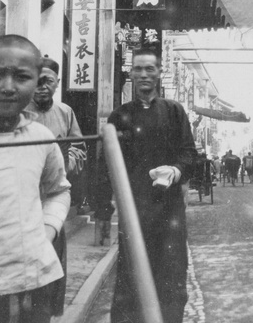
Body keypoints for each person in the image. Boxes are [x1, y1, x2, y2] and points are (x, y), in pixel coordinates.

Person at [95, 48, 197, 323]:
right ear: (130, 74)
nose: (143, 74)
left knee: (172, 278)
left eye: (149, 69)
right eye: (138, 69)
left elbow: (189, 153)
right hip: (134, 210)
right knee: (130, 281)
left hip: (170, 211)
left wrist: (175, 171)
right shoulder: (119, 116)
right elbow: (105, 165)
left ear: (159, 73)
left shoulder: (175, 112)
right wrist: (103, 211)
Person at [0, 35, 70, 323]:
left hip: (32, 278)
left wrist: (48, 230)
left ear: (37, 81)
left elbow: (58, 190)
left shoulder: (41, 138)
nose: (8, 87)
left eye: (22, 77)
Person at [26, 56, 86, 316]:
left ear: (57, 83)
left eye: (48, 81)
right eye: (37, 81)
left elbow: (79, 147)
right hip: (24, 197)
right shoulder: (17, 111)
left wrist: (64, 163)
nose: (42, 87)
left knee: (51, 262)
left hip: (52, 199)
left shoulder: (65, 112)